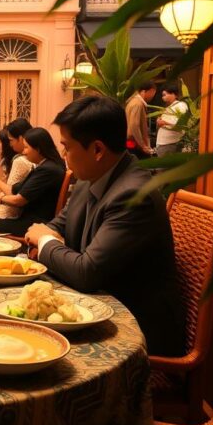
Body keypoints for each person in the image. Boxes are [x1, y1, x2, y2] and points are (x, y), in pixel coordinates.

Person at [24, 96, 185, 356]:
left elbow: (86, 273)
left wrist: (45, 242)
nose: (63, 155)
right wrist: (49, 240)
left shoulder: (134, 196)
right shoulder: (90, 178)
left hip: (135, 336)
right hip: (93, 309)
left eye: (67, 147)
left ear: (97, 150)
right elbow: (56, 226)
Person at [0, 127, 65, 235]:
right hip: (27, 219)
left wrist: (2, 198)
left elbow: (18, 200)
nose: (24, 151)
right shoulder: (48, 165)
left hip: (31, 224)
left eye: (26, 147)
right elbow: (14, 190)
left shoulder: (47, 169)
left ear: (38, 149)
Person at [156, 84, 188, 157]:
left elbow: (181, 124)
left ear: (174, 94)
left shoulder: (181, 105)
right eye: (162, 95)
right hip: (165, 143)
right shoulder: (169, 107)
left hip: (170, 143)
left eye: (165, 94)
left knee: (164, 167)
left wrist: (164, 123)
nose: (163, 97)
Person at [125, 81, 156, 159]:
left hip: (133, 143)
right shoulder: (137, 104)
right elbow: (134, 125)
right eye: (152, 92)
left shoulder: (133, 102)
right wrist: (143, 145)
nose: (152, 96)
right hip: (135, 144)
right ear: (144, 91)